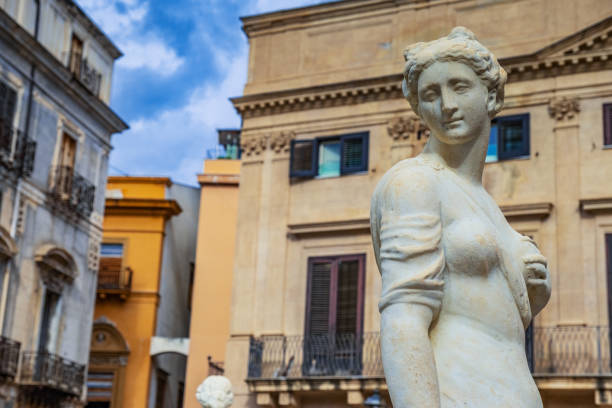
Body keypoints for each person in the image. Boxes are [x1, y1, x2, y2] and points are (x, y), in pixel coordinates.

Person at [370, 27, 551, 407]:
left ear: (492, 95)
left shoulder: (486, 204)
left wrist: (532, 291)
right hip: (459, 392)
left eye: (459, 87)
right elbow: (404, 317)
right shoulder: (414, 182)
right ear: (418, 108)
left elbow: (489, 309)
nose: (446, 105)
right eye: (430, 95)